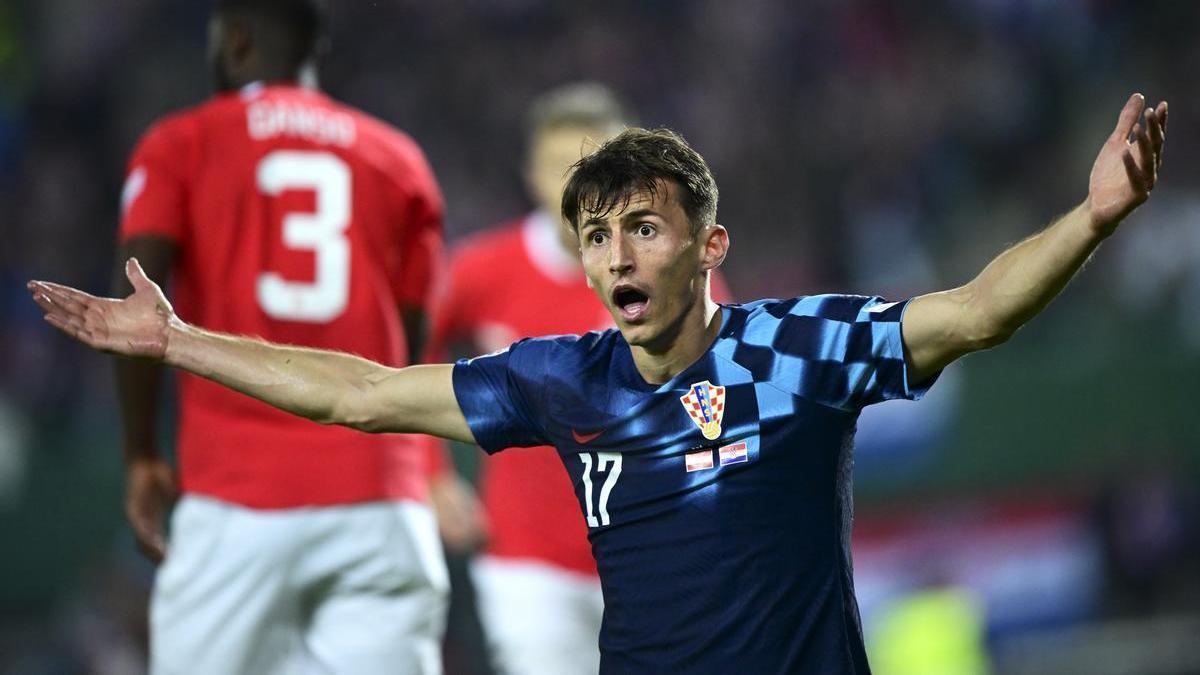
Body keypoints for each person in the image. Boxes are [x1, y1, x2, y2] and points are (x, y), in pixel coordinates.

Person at [32, 93, 1167, 673]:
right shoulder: (561, 381)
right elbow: (363, 394)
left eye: (643, 228)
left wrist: (1096, 217)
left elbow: (976, 312)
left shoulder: (802, 350)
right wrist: (180, 344)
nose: (617, 256)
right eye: (596, 236)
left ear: (708, 247)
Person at [109, 0, 448, 672]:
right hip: (379, 502)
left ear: (236, 40)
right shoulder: (399, 159)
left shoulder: (183, 142)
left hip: (237, 498)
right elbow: (412, 345)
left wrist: (142, 452)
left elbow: (138, 303)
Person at [426, 82, 731, 675]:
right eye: (558, 167)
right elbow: (410, 339)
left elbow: (725, 389)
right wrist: (429, 476)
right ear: (530, 174)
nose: (575, 186)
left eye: (596, 163)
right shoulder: (483, 271)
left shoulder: (678, 270)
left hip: (657, 554)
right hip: (527, 563)